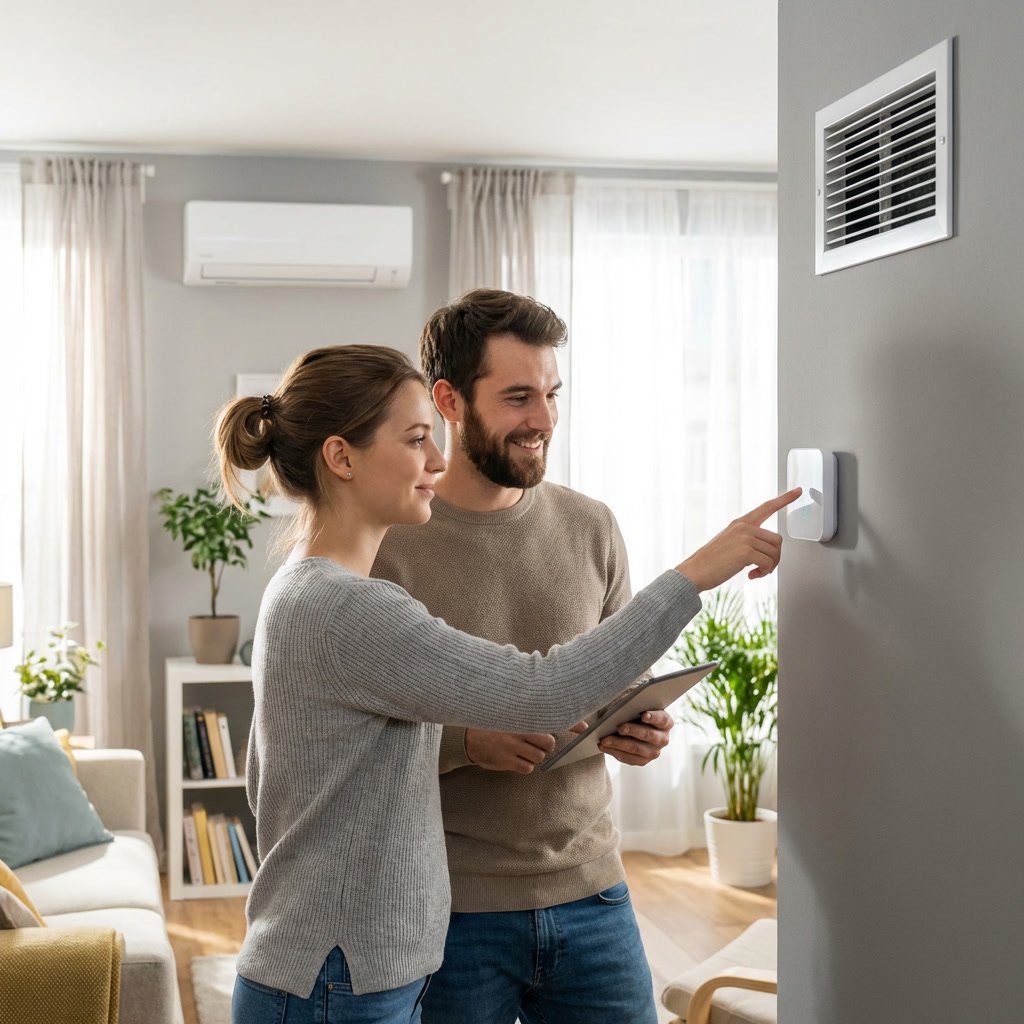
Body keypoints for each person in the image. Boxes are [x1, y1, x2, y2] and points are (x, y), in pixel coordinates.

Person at [216, 341, 798, 1024]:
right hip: (334, 978)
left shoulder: (310, 593)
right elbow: (540, 690)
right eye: (414, 441)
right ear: (342, 458)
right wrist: (694, 574)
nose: (436, 459)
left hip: (350, 972)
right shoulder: (344, 606)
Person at [372, 290, 770, 1024]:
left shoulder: (591, 525)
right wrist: (466, 745)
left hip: (595, 893)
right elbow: (358, 736)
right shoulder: (390, 545)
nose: (545, 420)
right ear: (449, 401)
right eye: (519, 396)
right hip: (457, 908)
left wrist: (638, 725)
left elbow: (616, 676)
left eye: (553, 393)